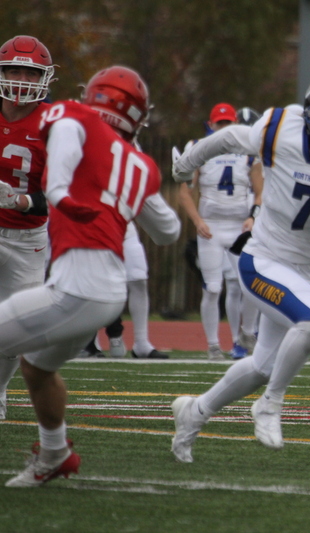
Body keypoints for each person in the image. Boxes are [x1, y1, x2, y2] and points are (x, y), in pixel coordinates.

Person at [169, 70, 310, 462]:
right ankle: (270, 404)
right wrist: (187, 164)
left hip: (309, 272)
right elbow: (229, 137)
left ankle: (193, 412)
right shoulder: (282, 127)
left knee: (263, 366)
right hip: (264, 260)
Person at [2, 65, 181, 487]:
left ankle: (54, 452)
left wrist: (62, 191)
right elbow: (168, 231)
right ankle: (55, 453)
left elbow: (63, 147)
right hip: (107, 293)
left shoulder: (72, 118)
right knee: (37, 369)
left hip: (76, 289)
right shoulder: (141, 165)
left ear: (92, 98)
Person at [178, 103, 263, 360]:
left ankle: (247, 332)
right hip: (211, 228)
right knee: (213, 288)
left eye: (228, 124)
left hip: (239, 227)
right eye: (220, 124)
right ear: (211, 124)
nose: (224, 129)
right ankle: (213, 345)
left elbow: (261, 191)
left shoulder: (248, 150)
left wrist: (252, 217)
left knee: (250, 283)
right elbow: (184, 191)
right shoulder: (197, 148)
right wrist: (197, 221)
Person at [0, 35, 56, 421]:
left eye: (30, 72)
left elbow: (55, 192)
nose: (21, 78)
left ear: (44, 78)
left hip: (29, 237)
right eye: (14, 70)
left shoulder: (54, 125)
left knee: (16, 327)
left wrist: (18, 200)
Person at [79, 222, 171, 359]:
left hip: (125, 228)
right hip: (91, 230)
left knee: (138, 279)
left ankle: (141, 344)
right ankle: (92, 342)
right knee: (94, 281)